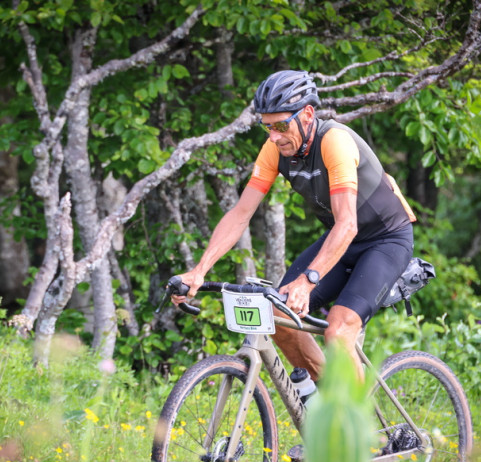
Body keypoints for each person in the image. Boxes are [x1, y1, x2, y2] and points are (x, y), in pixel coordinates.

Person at [172, 70, 416, 380]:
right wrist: (199, 270)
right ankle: (330, 397)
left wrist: (308, 280)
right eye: (267, 127)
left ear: (308, 113)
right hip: (342, 242)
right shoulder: (275, 149)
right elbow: (240, 214)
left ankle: (359, 425)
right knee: (276, 314)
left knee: (338, 332)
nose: (274, 136)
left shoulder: (334, 142)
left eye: (281, 125)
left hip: (385, 241)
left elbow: (347, 224)